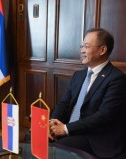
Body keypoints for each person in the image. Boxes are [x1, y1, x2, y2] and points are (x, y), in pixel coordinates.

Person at [49, 28, 126, 158]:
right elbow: (64, 104)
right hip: (70, 128)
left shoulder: (116, 79)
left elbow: (104, 116)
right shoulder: (78, 75)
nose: (82, 51)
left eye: (86, 46)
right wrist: (52, 124)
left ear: (102, 50)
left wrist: (66, 129)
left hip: (94, 137)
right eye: (82, 46)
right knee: (34, 137)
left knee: (56, 149)